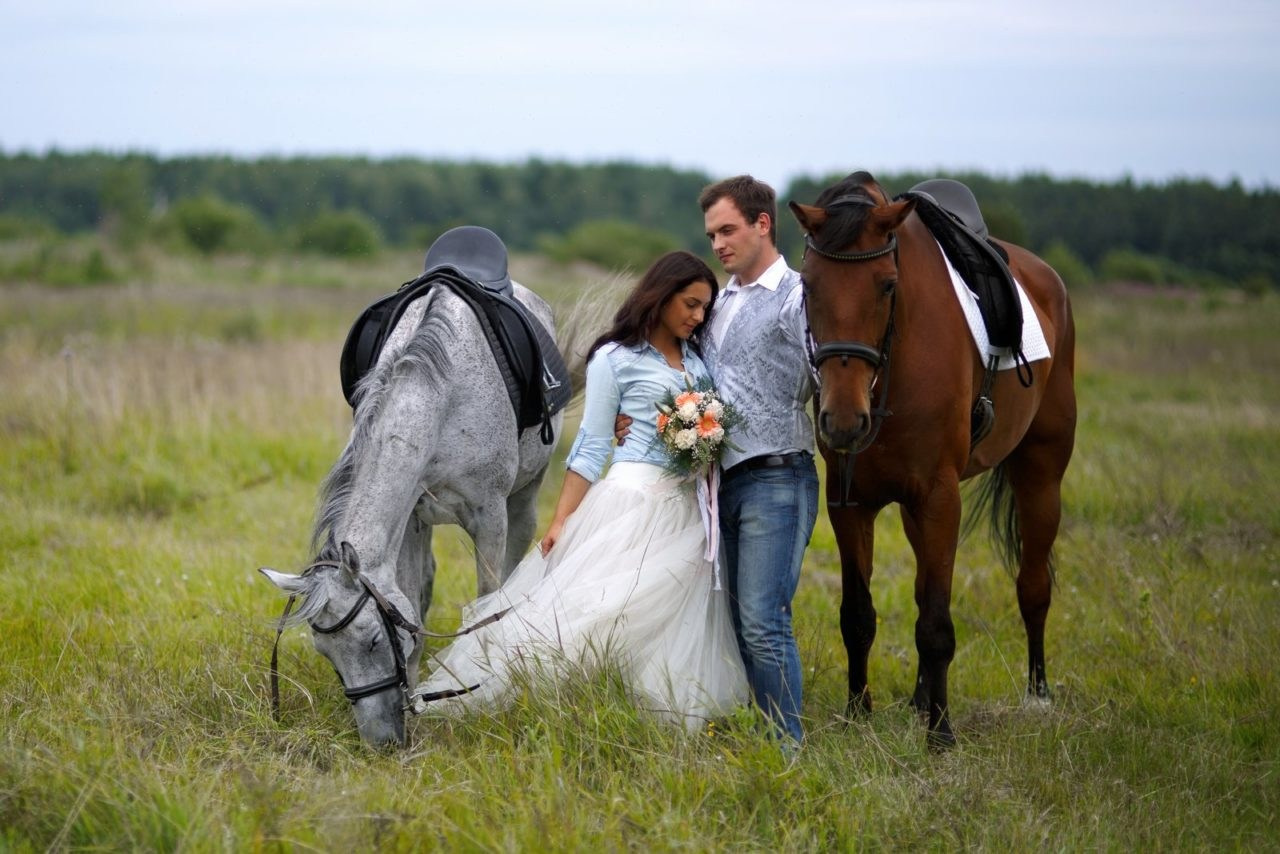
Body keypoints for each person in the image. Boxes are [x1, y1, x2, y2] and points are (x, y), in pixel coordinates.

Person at [411, 250, 748, 729]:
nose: (697, 317)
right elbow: (590, 446)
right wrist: (562, 519)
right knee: (604, 605)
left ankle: (657, 710)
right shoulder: (615, 358)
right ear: (662, 295)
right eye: (690, 304)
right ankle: (535, 695)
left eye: (704, 309)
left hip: (689, 506)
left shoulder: (698, 358)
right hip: (633, 497)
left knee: (673, 611)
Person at [619, 176, 818, 744]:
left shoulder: (800, 296)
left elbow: (826, 375)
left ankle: (788, 750)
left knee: (762, 621)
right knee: (731, 624)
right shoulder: (718, 299)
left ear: (763, 224)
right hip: (715, 485)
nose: (719, 244)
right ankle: (755, 731)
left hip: (778, 476)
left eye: (728, 229)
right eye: (711, 235)